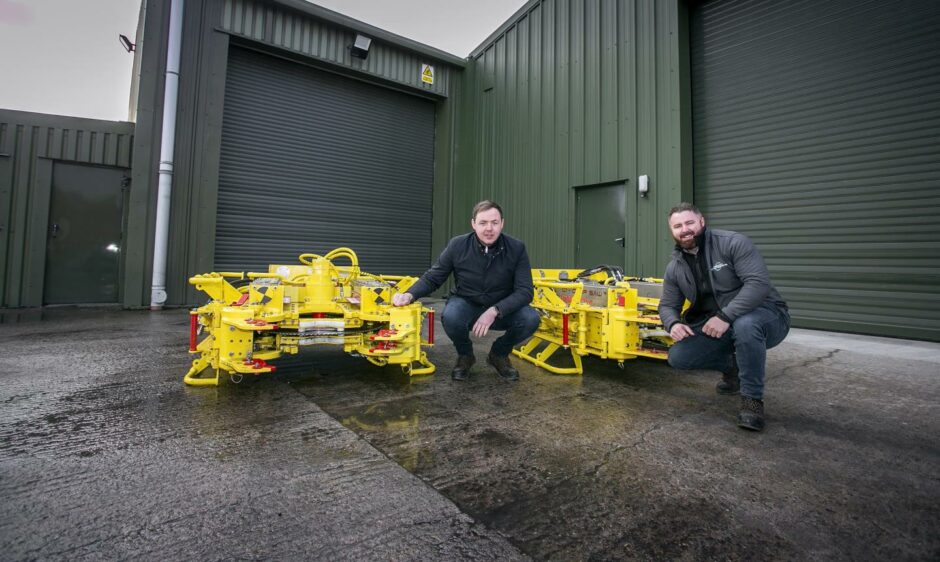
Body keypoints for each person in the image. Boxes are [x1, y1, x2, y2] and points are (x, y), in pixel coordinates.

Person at [658, 202, 790, 431]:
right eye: (678, 226)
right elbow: (667, 305)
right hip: (722, 325)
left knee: (746, 325)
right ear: (672, 231)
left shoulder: (732, 243)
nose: (685, 229)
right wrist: (673, 323)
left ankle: (752, 402)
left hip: (767, 316)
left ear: (701, 221)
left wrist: (725, 316)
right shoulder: (675, 267)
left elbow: (758, 284)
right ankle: (733, 368)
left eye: (689, 222)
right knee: (678, 357)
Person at [392, 200, 540, 381]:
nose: (489, 229)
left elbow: (525, 291)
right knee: (451, 316)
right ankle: (465, 355)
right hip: (467, 303)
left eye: (494, 223)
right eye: (483, 223)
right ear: (473, 224)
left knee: (531, 319)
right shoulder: (458, 245)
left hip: (501, 309)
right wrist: (410, 294)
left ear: (502, 223)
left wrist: (496, 310)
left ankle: (499, 354)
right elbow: (433, 277)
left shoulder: (516, 248)